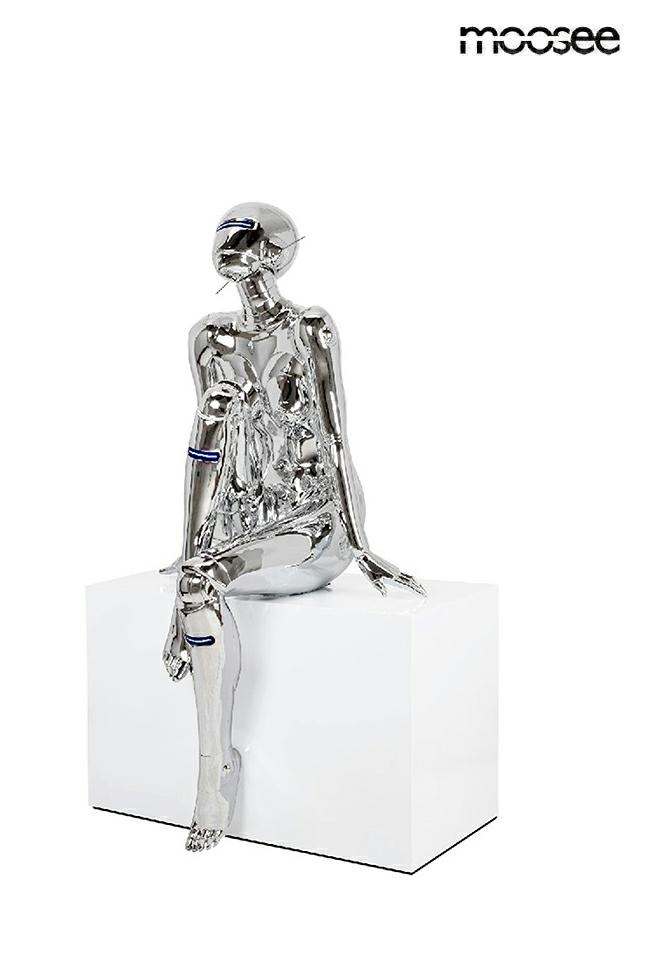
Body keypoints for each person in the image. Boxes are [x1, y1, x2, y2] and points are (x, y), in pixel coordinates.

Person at [161, 202, 424, 852]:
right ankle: (216, 767)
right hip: (241, 519)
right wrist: (184, 569)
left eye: (245, 239)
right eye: (225, 237)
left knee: (203, 580)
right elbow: (204, 456)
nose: (232, 249)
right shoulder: (208, 338)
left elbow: (335, 440)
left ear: (275, 252)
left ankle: (211, 783)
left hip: (312, 523)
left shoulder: (311, 328)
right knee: (195, 583)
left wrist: (360, 545)